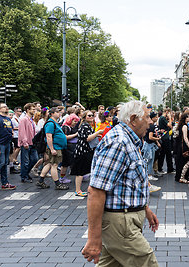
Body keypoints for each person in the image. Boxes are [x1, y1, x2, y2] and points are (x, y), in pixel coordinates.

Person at [82, 100, 159, 266]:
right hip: (121, 225)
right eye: (146, 117)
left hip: (123, 221)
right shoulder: (119, 142)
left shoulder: (128, 140)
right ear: (133, 119)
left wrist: (145, 208)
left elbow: (125, 184)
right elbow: (96, 191)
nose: (151, 121)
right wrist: (94, 239)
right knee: (148, 263)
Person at [71, 111, 103, 197]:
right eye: (89, 115)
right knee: (80, 172)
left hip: (85, 151)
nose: (91, 117)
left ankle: (78, 190)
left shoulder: (86, 125)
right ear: (84, 117)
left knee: (82, 172)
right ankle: (78, 191)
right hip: (82, 152)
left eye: (92, 115)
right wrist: (97, 133)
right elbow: (87, 138)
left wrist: (96, 135)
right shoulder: (85, 125)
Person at [36, 107, 69, 190]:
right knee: (54, 165)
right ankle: (58, 184)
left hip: (56, 147)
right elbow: (48, 137)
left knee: (49, 164)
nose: (59, 113)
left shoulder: (54, 122)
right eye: (57, 112)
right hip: (55, 147)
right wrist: (52, 149)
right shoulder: (50, 123)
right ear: (52, 114)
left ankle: (41, 180)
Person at [18, 103, 39, 183]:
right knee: (25, 161)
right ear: (28, 110)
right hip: (26, 143)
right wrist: (25, 142)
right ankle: (24, 176)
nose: (34, 111)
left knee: (34, 159)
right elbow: (22, 132)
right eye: (33, 109)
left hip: (32, 143)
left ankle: (25, 173)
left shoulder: (31, 119)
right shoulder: (24, 119)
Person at [60, 114, 80, 184]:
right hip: (68, 147)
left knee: (66, 163)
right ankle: (62, 178)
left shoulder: (71, 126)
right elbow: (65, 137)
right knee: (66, 163)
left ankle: (63, 178)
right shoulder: (66, 127)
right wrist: (76, 134)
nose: (75, 123)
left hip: (71, 147)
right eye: (74, 121)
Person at [175, 112, 189, 184]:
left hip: (180, 146)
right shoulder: (184, 126)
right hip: (184, 146)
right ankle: (182, 177)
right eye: (188, 117)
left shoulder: (181, 125)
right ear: (185, 118)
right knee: (187, 162)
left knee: (181, 162)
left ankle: (180, 177)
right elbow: (185, 137)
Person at [157, 108, 174, 174]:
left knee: (167, 153)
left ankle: (170, 168)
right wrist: (169, 118)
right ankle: (162, 168)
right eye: (169, 113)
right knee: (164, 154)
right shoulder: (163, 118)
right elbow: (170, 125)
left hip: (165, 137)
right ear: (167, 112)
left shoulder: (162, 118)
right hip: (165, 138)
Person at [10, 106, 22, 174]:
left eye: (20, 111)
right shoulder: (13, 119)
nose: (20, 112)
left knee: (16, 147)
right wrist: (18, 128)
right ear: (15, 111)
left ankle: (14, 159)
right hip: (15, 135)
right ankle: (14, 159)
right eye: (19, 111)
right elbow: (12, 127)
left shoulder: (19, 118)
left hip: (18, 134)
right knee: (18, 147)